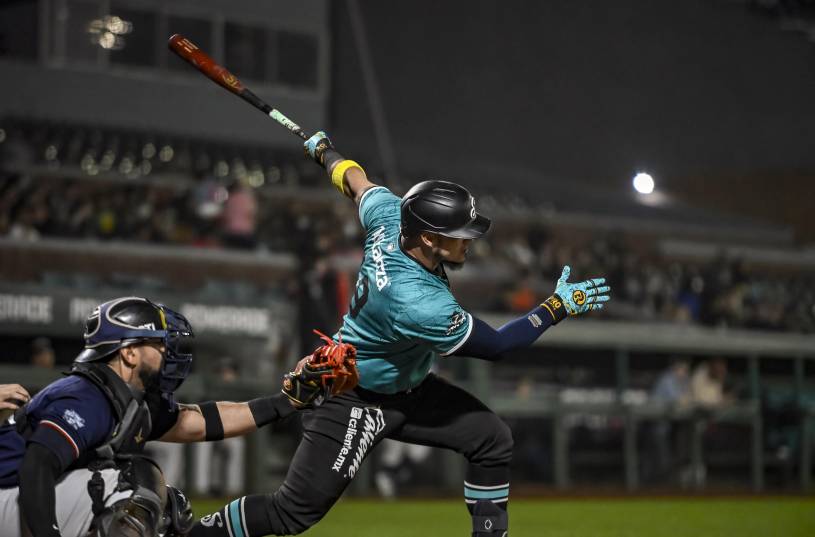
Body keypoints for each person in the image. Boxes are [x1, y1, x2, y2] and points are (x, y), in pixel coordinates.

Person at [189, 132, 611, 537]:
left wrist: (326, 153)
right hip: (354, 396)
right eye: (459, 236)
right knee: (291, 513)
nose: (469, 242)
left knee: (491, 439)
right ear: (428, 238)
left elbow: (357, 181)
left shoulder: (392, 216)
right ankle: (191, 533)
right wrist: (555, 307)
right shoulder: (416, 302)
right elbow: (499, 346)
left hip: (407, 389)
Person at [0, 297, 312, 537]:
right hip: (11, 495)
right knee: (135, 483)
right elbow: (36, 466)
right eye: (158, 342)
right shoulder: (87, 395)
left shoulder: (127, 398)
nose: (167, 350)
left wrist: (285, 402)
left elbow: (197, 422)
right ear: (129, 353)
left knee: (167, 508)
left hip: (25, 497)